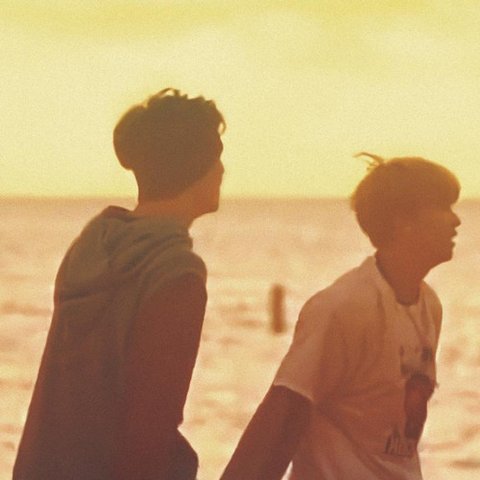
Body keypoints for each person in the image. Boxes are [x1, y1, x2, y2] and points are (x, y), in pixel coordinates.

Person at [13, 88, 225, 480]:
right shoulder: (176, 273)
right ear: (198, 167)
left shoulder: (91, 247)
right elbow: (150, 425)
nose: (223, 170)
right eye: (218, 157)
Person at [221, 153, 461, 480]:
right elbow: (279, 419)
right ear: (402, 221)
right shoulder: (344, 308)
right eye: (443, 207)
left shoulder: (428, 306)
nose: (456, 221)